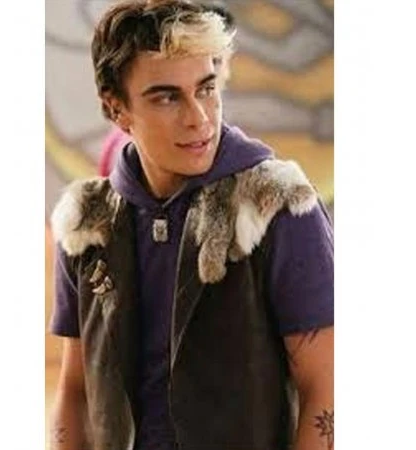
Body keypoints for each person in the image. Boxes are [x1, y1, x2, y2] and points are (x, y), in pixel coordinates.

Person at [48, 1, 334, 449]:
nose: (199, 118)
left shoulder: (277, 206)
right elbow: (75, 391)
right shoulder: (87, 221)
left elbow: (327, 388)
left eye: (206, 88)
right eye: (167, 97)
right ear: (116, 108)